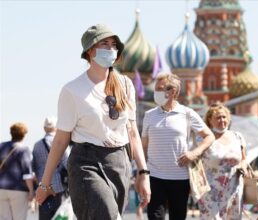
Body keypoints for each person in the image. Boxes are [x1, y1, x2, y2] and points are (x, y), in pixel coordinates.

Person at [35, 24, 151, 220]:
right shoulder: (72, 90)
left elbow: (132, 133)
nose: (111, 49)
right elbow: (61, 140)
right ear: (90, 50)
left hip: (119, 162)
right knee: (106, 215)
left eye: (114, 45)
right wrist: (45, 184)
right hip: (86, 163)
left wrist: (143, 172)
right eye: (104, 43)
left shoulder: (125, 85)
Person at [142, 73, 214, 220]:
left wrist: (194, 153)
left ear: (173, 91)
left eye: (160, 89)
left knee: (178, 216)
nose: (156, 92)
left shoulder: (187, 113)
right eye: (156, 89)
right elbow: (144, 146)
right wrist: (142, 173)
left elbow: (209, 136)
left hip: (180, 178)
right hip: (155, 177)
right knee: (154, 217)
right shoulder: (149, 115)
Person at [197, 103, 249, 219]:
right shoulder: (202, 139)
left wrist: (243, 166)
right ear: (210, 120)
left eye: (224, 117)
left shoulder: (237, 137)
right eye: (218, 117)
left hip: (234, 189)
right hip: (210, 192)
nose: (222, 120)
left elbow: (244, 159)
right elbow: (194, 164)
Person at [32, 116, 68, 220]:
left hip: (43, 188)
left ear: (44, 128)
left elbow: (33, 167)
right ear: (57, 127)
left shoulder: (37, 145)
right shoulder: (60, 142)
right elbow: (67, 163)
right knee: (61, 217)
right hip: (60, 187)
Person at [0, 122, 35, 220]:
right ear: (24, 134)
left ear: (11, 133)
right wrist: (31, 191)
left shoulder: (1, 146)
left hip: (1, 189)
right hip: (18, 190)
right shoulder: (23, 149)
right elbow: (27, 174)